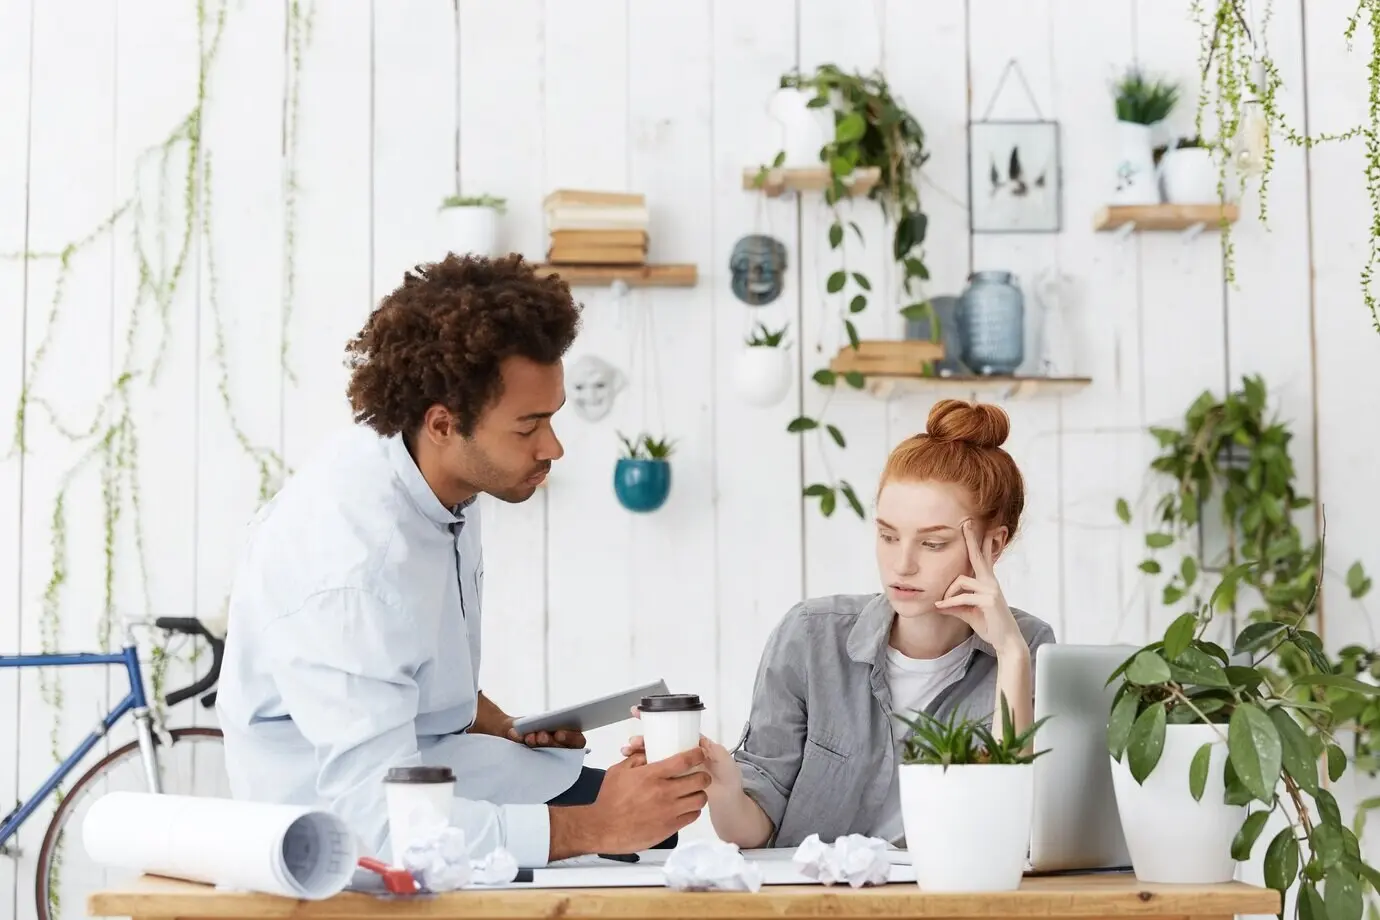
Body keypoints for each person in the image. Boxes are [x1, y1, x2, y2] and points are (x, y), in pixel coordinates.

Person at [215, 253, 710, 869]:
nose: (552, 447)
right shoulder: (351, 568)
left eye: (551, 418)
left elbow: (398, 658)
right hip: (348, 837)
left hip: (437, 763)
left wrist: (494, 721)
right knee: (618, 833)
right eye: (529, 426)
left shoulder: (438, 476)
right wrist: (590, 829)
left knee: (659, 828)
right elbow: (375, 821)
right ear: (444, 424)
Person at [624, 398, 1056, 849]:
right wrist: (723, 787)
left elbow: (1005, 831)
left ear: (992, 545)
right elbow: (753, 834)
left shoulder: (1027, 648)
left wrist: (1009, 654)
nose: (901, 565)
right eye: (888, 536)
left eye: (932, 543)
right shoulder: (811, 637)